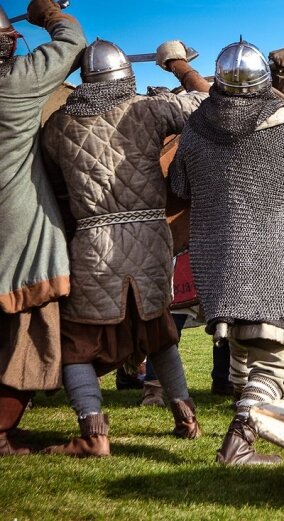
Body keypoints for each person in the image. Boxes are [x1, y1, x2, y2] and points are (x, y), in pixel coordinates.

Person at [168, 39, 284, 465]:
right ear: (262, 84)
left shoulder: (196, 127)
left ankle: (244, 415)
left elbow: (179, 187)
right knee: (279, 359)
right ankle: (239, 443)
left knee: (244, 349)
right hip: (264, 261)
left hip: (213, 263)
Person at [39, 39, 210, 457]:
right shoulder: (147, 109)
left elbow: (56, 188)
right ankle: (186, 417)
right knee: (160, 333)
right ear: (126, 77)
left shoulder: (59, 128)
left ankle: (94, 433)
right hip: (151, 237)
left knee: (77, 343)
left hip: (93, 241)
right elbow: (207, 101)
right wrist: (177, 65)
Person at [0, 0, 86, 456]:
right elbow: (72, 42)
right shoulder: (14, 84)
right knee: (28, 336)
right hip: (20, 231)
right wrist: (46, 10)